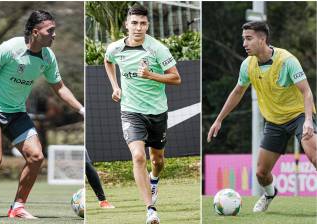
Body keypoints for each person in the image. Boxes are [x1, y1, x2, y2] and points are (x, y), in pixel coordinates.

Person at [0, 10, 85, 219]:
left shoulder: (48, 57)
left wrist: (82, 109)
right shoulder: (10, 48)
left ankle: (17, 207)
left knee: (36, 156)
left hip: (16, 112)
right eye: (50, 30)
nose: (54, 35)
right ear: (35, 32)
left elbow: (59, 87)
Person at [207, 21, 316, 213]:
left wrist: (308, 120)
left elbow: (307, 92)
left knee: (312, 150)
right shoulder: (247, 65)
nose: (244, 43)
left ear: (262, 39)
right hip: (274, 122)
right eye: (243, 39)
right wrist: (219, 119)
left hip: (298, 116)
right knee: (261, 173)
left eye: (249, 39)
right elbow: (238, 92)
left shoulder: (287, 60)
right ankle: (269, 194)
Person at [104, 4, 181, 224]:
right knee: (138, 156)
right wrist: (115, 86)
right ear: (127, 25)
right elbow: (108, 62)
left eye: (143, 23)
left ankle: (154, 180)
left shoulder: (158, 49)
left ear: (148, 25)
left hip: (157, 113)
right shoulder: (115, 48)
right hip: (130, 111)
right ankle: (150, 209)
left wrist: (150, 75)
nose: (139, 28)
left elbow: (176, 78)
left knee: (157, 161)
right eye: (135, 23)